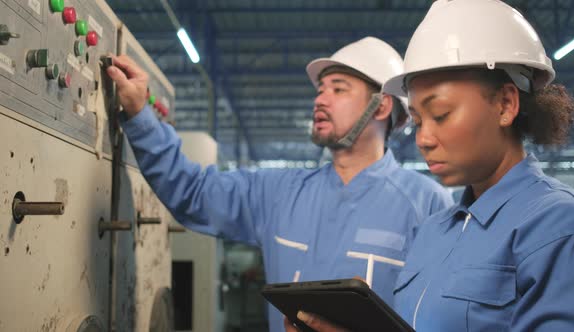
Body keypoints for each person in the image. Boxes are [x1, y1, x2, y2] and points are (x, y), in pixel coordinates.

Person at [106, 37, 453, 332]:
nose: (320, 99)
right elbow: (192, 192)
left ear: (381, 107)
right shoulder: (277, 193)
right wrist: (140, 116)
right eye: (320, 89)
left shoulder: (429, 206)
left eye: (338, 89)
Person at [287, 0, 574, 331]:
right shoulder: (433, 230)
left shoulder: (560, 225)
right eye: (417, 120)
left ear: (505, 104)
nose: (423, 139)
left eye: (441, 114)